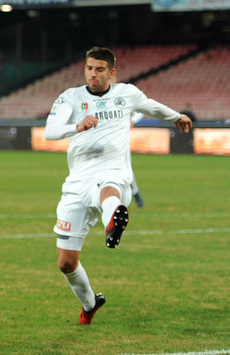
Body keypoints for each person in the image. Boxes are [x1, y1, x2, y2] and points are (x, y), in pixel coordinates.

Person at [44, 47, 192, 325]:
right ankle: (90, 304)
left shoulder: (126, 93)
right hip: (77, 181)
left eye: (100, 69)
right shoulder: (70, 97)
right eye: (89, 68)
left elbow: (151, 105)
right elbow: (50, 131)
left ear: (111, 72)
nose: (93, 74)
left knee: (108, 190)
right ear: (84, 69)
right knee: (65, 263)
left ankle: (114, 219)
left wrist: (176, 116)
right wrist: (76, 126)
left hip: (113, 172)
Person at [130, 112, 145, 207]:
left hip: (119, 142)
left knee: (125, 171)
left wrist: (132, 121)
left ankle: (135, 192)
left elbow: (140, 112)